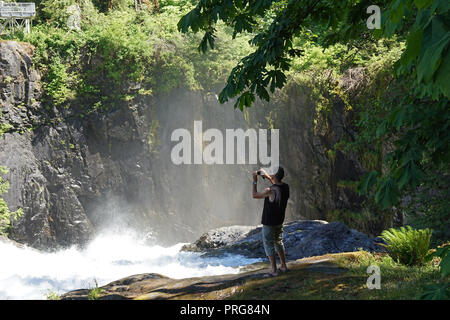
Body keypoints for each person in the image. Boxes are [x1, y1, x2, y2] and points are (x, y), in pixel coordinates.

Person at [252, 166, 290, 277]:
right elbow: (276, 183)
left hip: (269, 222)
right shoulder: (286, 187)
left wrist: (255, 181)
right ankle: (283, 266)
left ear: (273, 176)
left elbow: (255, 195)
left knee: (268, 244)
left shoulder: (270, 191)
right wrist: (268, 177)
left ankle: (274, 270)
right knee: (278, 241)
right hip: (279, 221)